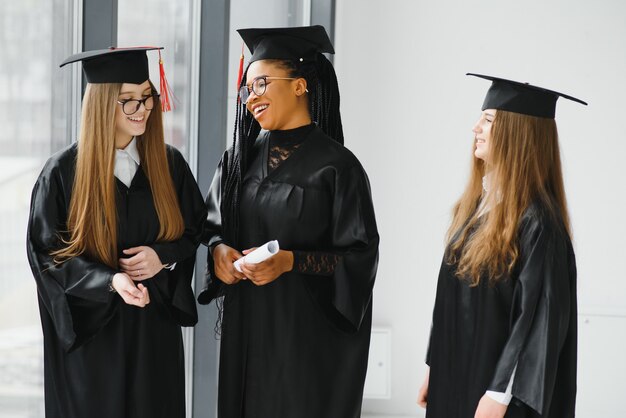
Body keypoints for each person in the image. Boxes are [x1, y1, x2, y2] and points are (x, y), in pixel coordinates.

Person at [198, 26, 379, 418]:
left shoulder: (338, 168)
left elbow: (359, 257)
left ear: (299, 86)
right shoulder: (237, 160)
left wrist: (291, 261)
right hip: (247, 331)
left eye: (261, 83)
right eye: (247, 89)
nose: (251, 98)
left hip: (306, 339)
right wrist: (218, 253)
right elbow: (211, 230)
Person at [26, 47, 206, 418]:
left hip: (153, 329)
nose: (141, 109)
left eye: (146, 98)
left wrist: (163, 258)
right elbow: (47, 254)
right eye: (128, 101)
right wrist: (109, 282)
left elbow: (193, 231)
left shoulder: (169, 165)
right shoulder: (62, 173)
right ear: (103, 104)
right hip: (93, 334)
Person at [417, 73, 586, 418]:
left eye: (488, 119)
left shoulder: (539, 225)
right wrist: (435, 366)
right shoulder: (476, 210)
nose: (475, 128)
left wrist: (500, 393)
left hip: (497, 393)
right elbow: (450, 301)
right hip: (458, 376)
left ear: (517, 133)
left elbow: (539, 321)